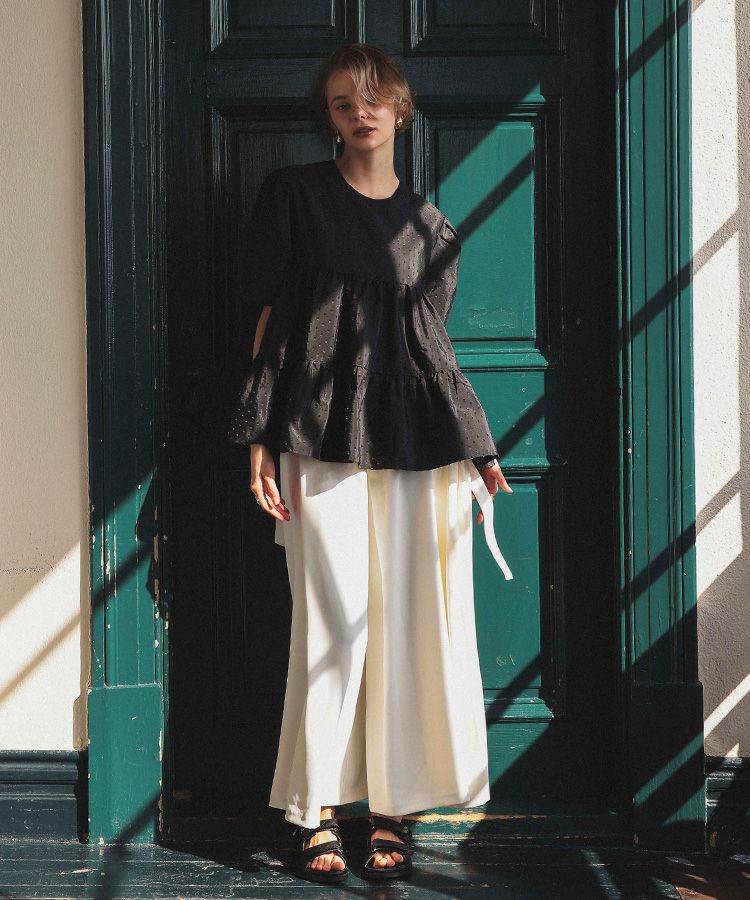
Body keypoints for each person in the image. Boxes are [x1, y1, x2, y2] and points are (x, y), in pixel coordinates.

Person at [224, 42, 513, 884]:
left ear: (401, 109)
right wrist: (260, 437)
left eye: (375, 97)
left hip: (417, 446)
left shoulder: (432, 230)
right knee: (332, 622)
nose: (361, 111)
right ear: (329, 117)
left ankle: (393, 806)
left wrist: (476, 445)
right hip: (316, 434)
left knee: (408, 627)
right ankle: (314, 808)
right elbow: (270, 324)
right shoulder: (294, 198)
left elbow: (430, 349)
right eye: (344, 101)